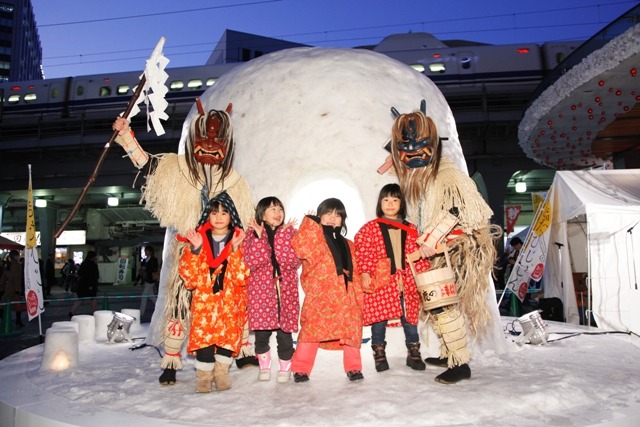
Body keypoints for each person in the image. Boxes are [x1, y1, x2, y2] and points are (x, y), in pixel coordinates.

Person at [389, 101, 501, 384]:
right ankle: (449, 352)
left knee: (444, 305)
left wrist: (431, 240)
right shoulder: (424, 178)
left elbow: (459, 211)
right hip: (439, 252)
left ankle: (460, 363)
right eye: (406, 147)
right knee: (438, 304)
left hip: (457, 250)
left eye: (420, 144)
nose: (413, 151)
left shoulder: (447, 174)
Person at [354, 183, 430, 372]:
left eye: (395, 200)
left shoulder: (411, 229)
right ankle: (379, 355)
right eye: (386, 200)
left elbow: (418, 255)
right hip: (381, 282)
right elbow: (362, 252)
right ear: (380, 203)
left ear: (401, 204)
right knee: (379, 320)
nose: (390, 204)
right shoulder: (370, 229)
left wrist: (421, 275)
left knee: (409, 320)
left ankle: (414, 354)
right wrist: (364, 273)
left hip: (407, 283)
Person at [179, 191, 249, 393]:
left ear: (232, 216)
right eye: (214, 212)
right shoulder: (196, 241)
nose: (219, 217)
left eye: (224, 213)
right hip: (204, 302)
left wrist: (236, 251)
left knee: (228, 339)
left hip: (230, 302)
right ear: (207, 215)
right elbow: (189, 280)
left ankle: (221, 373)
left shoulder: (240, 241)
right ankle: (203, 378)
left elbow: (242, 278)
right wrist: (194, 250)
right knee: (204, 340)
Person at [290, 198, 364, 382]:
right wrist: (310, 224)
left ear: (343, 220)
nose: (333, 218)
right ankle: (300, 369)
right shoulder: (316, 239)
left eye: (338, 215)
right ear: (319, 216)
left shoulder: (349, 243)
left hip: (347, 295)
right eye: (328, 213)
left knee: (351, 330)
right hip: (320, 296)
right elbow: (301, 248)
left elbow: (357, 269)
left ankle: (354, 368)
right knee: (311, 331)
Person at [242, 196, 300, 383]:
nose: (278, 213)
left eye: (280, 209)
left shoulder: (290, 233)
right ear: (262, 214)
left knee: (285, 334)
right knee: (262, 334)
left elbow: (293, 261)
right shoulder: (251, 234)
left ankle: (285, 367)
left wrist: (283, 236)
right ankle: (264, 366)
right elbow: (253, 261)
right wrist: (260, 238)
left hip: (285, 290)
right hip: (262, 292)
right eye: (272, 209)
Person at [69, 251, 99, 317]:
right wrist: (91, 285)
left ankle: (72, 312)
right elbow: (95, 276)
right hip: (91, 285)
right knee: (93, 299)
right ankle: (94, 313)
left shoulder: (83, 263)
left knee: (80, 299)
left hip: (82, 284)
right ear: (93, 257)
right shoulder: (94, 265)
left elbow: (79, 273)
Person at [0, 250, 25, 327]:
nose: (19, 256)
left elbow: (3, 278)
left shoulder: (7, 265)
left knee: (3, 304)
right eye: (18, 255)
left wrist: (1, 287)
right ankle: (18, 320)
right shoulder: (18, 265)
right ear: (15, 256)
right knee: (17, 305)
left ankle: (3, 318)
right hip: (15, 288)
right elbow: (17, 278)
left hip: (8, 287)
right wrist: (18, 289)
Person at [139, 246, 159, 317]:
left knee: (143, 297)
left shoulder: (154, 259)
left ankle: (141, 313)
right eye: (145, 251)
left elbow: (155, 269)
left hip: (151, 280)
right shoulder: (144, 260)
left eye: (147, 251)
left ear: (150, 252)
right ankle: (160, 308)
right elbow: (141, 271)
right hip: (146, 280)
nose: (146, 252)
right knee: (152, 297)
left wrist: (146, 268)